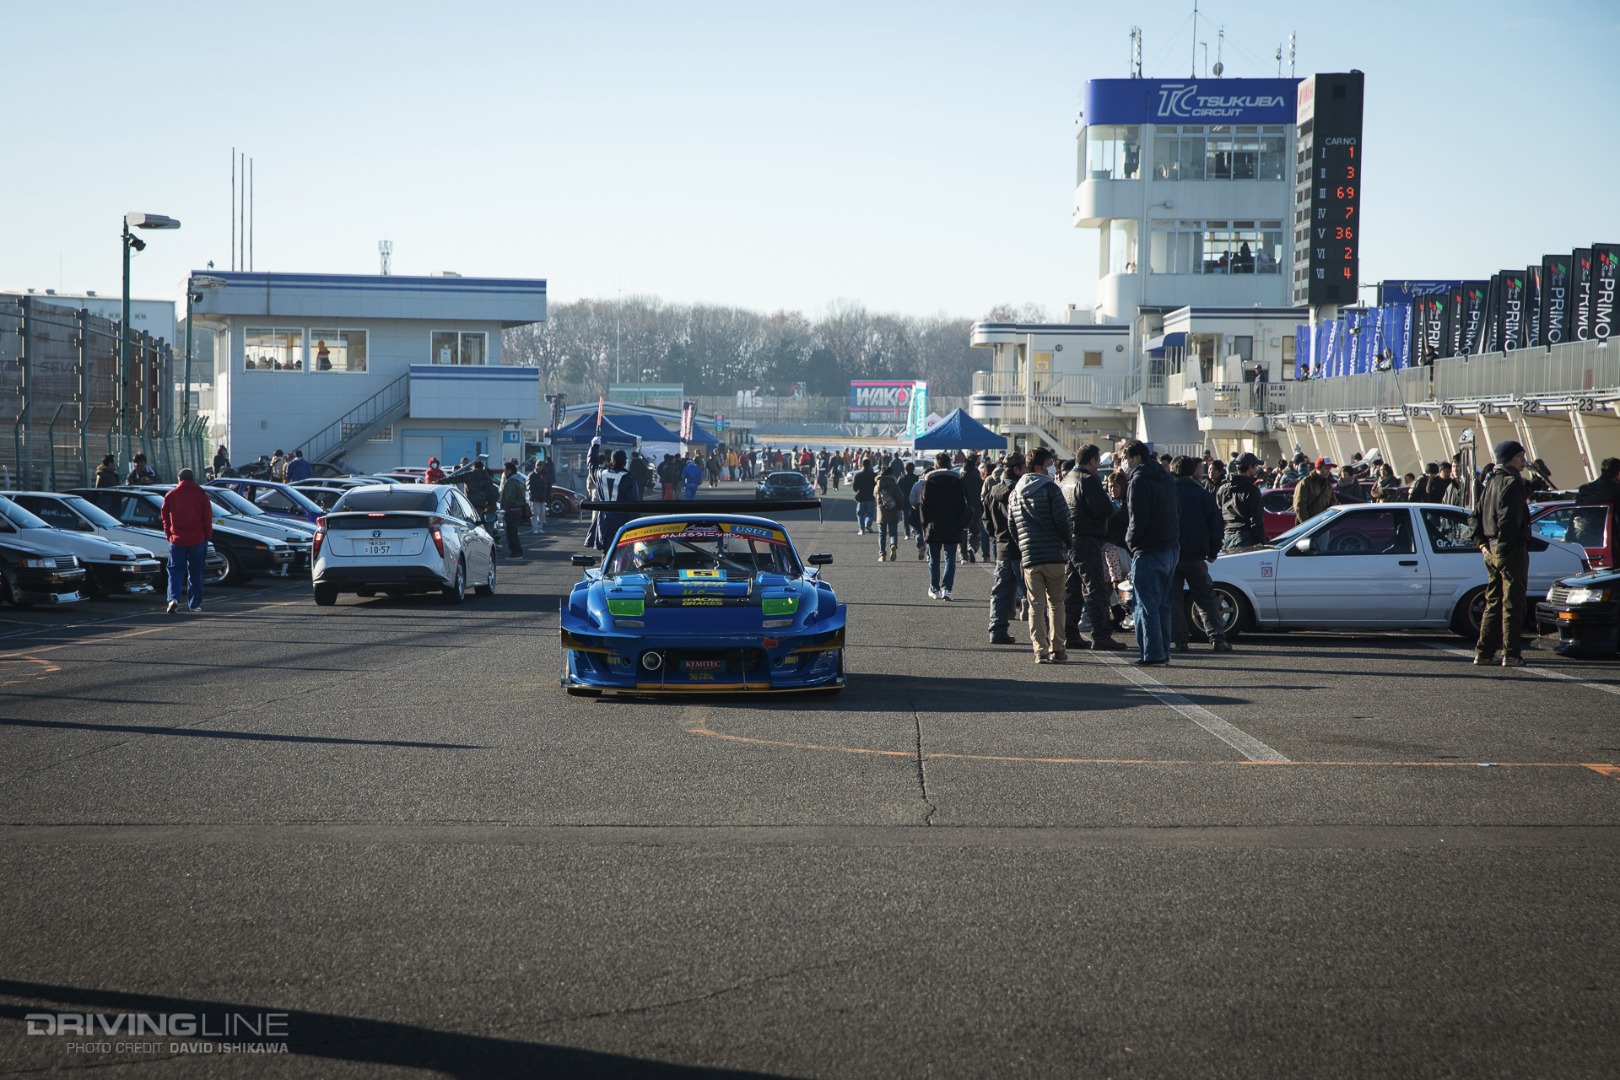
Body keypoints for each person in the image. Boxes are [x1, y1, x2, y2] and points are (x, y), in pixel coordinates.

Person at [1470, 440, 1532, 667]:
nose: (1524, 460)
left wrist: (1482, 544)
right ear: (1509, 459)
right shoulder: (1512, 481)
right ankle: (1512, 654)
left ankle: (1484, 653)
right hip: (1510, 549)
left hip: (1491, 548)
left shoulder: (1492, 480)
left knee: (1493, 602)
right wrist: (1505, 548)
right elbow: (1509, 520)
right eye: (1520, 456)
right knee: (1513, 603)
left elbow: (1474, 516)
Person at [1009, 447, 1072, 664]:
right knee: (1056, 604)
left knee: (1035, 605)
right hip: (1054, 554)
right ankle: (1058, 649)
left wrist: (1024, 546)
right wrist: (1068, 543)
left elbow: (1012, 525)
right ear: (1039, 467)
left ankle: (1040, 650)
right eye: (1049, 464)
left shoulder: (1016, 492)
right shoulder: (1051, 489)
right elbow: (1064, 521)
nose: (1052, 468)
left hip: (1030, 557)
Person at [1119, 440, 1180, 666]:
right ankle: (1163, 651)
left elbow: (1138, 519)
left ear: (1136, 458)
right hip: (1171, 547)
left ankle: (1152, 653)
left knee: (1145, 605)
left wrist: (1130, 542)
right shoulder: (1166, 477)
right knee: (1163, 604)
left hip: (1148, 549)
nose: (1124, 463)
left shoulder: (1138, 480)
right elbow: (1178, 511)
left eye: (1125, 458)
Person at [1061, 443, 1125, 651]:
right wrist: (1113, 507)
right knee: (1095, 588)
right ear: (1092, 461)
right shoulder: (1088, 480)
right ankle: (1101, 634)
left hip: (1070, 538)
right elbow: (1102, 508)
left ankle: (1070, 633)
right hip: (1088, 537)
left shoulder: (1067, 479)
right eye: (1097, 461)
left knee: (1072, 589)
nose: (1098, 465)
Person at [1169, 456, 1230, 652]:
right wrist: (1213, 550)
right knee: (1205, 598)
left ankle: (1179, 641)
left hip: (1171, 553)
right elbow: (1216, 525)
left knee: (1173, 599)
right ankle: (1218, 638)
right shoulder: (1202, 494)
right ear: (1192, 471)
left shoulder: (1169, 492)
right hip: (1196, 554)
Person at [983, 453, 1025, 644]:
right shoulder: (1019, 491)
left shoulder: (993, 491)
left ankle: (997, 630)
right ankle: (1046, 634)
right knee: (1034, 594)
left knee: (1000, 592)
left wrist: (998, 536)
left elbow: (987, 524)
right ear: (1017, 469)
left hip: (1002, 548)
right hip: (1022, 548)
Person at [160, 468, 213, 614]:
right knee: (196, 572)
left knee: (175, 570)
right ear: (193, 479)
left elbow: (164, 517)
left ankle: (173, 598)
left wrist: (168, 534)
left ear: (179, 479)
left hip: (177, 539)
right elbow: (207, 517)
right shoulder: (201, 494)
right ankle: (195, 604)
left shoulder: (171, 495)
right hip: (198, 539)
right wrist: (207, 535)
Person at [917, 452, 967, 601]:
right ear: (950, 464)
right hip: (952, 525)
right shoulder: (958, 480)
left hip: (934, 525)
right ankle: (947, 589)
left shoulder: (929, 481)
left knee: (934, 558)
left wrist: (924, 526)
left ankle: (935, 589)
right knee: (950, 558)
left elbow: (923, 506)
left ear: (936, 465)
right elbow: (964, 503)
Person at [587, 449, 642, 551]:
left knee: (606, 556)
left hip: (604, 522)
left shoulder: (601, 474)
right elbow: (634, 506)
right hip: (622, 523)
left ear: (611, 461)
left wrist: (594, 446)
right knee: (623, 555)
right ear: (625, 462)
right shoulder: (628, 478)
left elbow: (591, 465)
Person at [1575, 457, 1620, 567]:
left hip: (1583, 542)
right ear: (1618, 473)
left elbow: (1576, 516)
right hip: (1610, 545)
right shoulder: (1616, 490)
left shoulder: (1585, 489)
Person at [1218, 452, 1265, 551]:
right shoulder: (1252, 490)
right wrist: (1261, 542)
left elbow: (1217, 516)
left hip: (1226, 538)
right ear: (1250, 467)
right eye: (1255, 466)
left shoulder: (1223, 489)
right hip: (1245, 539)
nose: (1256, 469)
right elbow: (1256, 521)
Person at [1293, 457, 1336, 524]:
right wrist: (1307, 524)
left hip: (1323, 524)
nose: (1329, 471)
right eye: (1326, 468)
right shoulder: (1306, 483)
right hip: (1309, 526)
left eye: (1330, 468)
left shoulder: (1328, 485)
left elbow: (1333, 503)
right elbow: (1299, 506)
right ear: (1318, 468)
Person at [498, 460, 527, 557]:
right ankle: (515, 551)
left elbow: (508, 497)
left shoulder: (512, 482)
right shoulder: (519, 479)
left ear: (509, 471)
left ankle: (516, 552)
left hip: (512, 510)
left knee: (511, 533)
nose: (504, 472)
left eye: (505, 470)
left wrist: (504, 507)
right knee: (513, 531)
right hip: (518, 509)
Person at [465, 460, 500, 535]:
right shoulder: (486, 486)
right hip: (484, 511)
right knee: (484, 531)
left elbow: (494, 498)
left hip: (488, 511)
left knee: (486, 531)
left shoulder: (489, 487)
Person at [875, 467, 902, 562]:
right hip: (893, 511)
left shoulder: (878, 484)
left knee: (882, 534)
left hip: (881, 512)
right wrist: (899, 507)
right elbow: (900, 497)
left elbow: (875, 496)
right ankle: (893, 544)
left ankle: (882, 554)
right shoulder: (894, 484)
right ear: (890, 474)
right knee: (893, 532)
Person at [526, 457, 552, 534]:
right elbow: (529, 486)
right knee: (534, 513)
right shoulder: (531, 475)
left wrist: (548, 496)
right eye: (538, 465)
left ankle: (540, 527)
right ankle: (535, 528)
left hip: (543, 498)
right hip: (535, 498)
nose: (539, 467)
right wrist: (534, 495)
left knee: (542, 514)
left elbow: (548, 486)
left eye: (541, 465)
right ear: (535, 466)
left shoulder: (545, 475)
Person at [851, 458, 877, 535]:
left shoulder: (858, 475)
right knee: (870, 513)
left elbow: (854, 487)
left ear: (862, 465)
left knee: (860, 514)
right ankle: (868, 524)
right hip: (870, 496)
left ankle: (861, 529)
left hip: (861, 496)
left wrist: (857, 490)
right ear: (869, 465)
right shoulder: (873, 475)